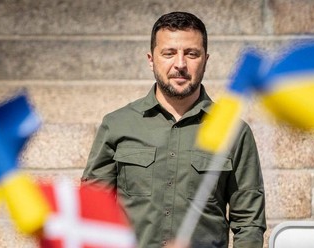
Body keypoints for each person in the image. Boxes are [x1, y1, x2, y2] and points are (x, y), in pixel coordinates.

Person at [81, 12, 266, 248]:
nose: (180, 64)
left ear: (206, 60)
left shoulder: (234, 132)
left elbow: (249, 223)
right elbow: (91, 212)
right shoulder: (117, 124)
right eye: (169, 53)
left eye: (192, 53)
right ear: (151, 59)